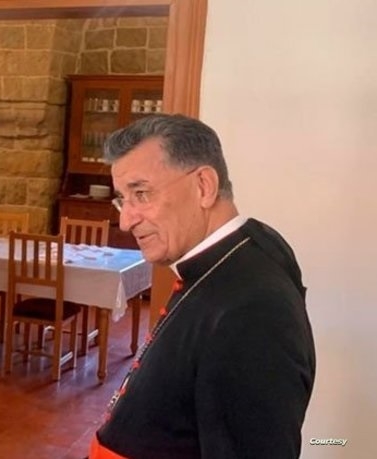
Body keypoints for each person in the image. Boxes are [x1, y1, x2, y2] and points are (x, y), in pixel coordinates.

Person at [88, 114, 315, 459]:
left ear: (204, 187)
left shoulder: (252, 312)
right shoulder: (236, 254)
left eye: (141, 194)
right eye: (123, 198)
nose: (125, 220)